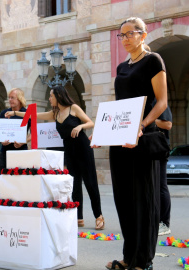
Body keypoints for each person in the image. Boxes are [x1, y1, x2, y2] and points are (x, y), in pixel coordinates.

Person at [101, 17, 168, 270]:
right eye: (122, 35)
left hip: (141, 137)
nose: (126, 38)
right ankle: (128, 258)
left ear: (143, 34)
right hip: (120, 139)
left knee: (144, 200)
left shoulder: (153, 61)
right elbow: (119, 107)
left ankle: (143, 261)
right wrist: (104, 134)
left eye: (131, 33)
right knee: (124, 200)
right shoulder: (121, 68)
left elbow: (161, 102)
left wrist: (140, 126)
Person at [5, 85, 105, 230]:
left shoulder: (73, 108)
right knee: (74, 184)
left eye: (51, 96)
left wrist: (80, 127)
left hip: (83, 148)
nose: (49, 98)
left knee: (90, 183)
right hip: (69, 151)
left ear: (58, 96)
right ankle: (79, 217)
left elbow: (90, 122)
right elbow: (34, 115)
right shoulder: (55, 113)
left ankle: (99, 216)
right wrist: (15, 113)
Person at [0, 88, 30, 170]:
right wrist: (2, 141)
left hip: (21, 151)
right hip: (5, 151)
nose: (10, 100)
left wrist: (23, 142)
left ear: (19, 99)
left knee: (20, 177)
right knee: (5, 178)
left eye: (12, 97)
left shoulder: (26, 114)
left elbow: (34, 133)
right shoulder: (4, 113)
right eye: (9, 97)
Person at [155, 106, 172, 236]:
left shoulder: (160, 101)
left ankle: (164, 223)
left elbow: (167, 124)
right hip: (146, 148)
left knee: (161, 185)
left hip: (159, 148)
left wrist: (147, 120)